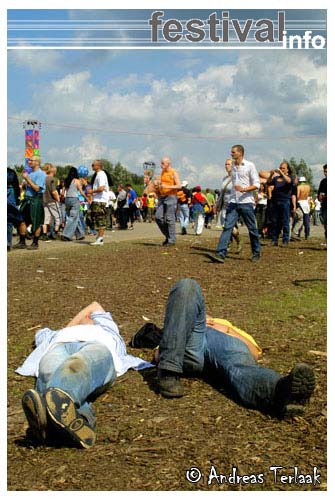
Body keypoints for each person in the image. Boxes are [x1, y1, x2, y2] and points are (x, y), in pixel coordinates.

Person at [156, 278, 315, 418]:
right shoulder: (181, 324)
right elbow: (158, 352)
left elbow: (253, 352)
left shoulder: (227, 325)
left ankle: (281, 392)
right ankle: (169, 372)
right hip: (192, 347)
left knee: (242, 368)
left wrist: (224, 328)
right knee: (187, 285)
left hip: (226, 350)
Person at [17, 302, 152, 448]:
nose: (87, 316)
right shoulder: (53, 335)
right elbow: (39, 333)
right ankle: (78, 420)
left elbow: (95, 306)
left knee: (77, 365)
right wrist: (65, 330)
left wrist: (72, 325)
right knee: (48, 370)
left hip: (96, 346)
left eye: (89, 316)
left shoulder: (106, 328)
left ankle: (47, 424)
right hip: (58, 347)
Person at [209, 145, 260, 263]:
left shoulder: (249, 166)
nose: (231, 154)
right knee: (227, 227)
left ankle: (256, 252)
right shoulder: (232, 167)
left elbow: (257, 184)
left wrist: (244, 189)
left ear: (240, 153)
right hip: (233, 202)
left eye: (233, 152)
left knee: (252, 229)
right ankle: (221, 253)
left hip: (246, 202)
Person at [13, 155, 46, 250]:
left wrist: (27, 179)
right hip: (27, 200)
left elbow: (37, 188)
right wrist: (24, 185)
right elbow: (28, 187)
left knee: (36, 221)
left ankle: (35, 243)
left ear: (37, 162)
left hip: (35, 200)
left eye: (31, 160)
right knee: (21, 220)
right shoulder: (30, 173)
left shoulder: (40, 174)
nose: (29, 162)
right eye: (29, 160)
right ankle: (22, 241)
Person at [153, 156, 181, 246]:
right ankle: (169, 236)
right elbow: (161, 184)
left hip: (171, 196)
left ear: (168, 164)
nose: (161, 165)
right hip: (162, 197)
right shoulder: (162, 172)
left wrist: (167, 186)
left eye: (163, 163)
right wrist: (158, 184)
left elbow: (179, 186)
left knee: (169, 218)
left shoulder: (173, 172)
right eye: (161, 163)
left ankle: (171, 240)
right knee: (158, 217)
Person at [267, 161, 295, 247]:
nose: (281, 169)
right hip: (275, 201)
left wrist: (282, 174)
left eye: (283, 168)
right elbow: (268, 183)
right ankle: (274, 239)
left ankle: (285, 240)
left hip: (285, 201)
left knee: (285, 221)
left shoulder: (290, 177)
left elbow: (289, 181)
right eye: (280, 168)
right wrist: (271, 175)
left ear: (287, 169)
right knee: (275, 221)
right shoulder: (276, 179)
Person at [61, 167, 88, 242]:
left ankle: (80, 235)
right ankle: (66, 235)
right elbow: (81, 192)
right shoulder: (77, 181)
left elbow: (64, 192)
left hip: (67, 200)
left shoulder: (66, 181)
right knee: (73, 217)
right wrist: (87, 198)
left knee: (75, 217)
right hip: (74, 199)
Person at [88, 160, 109, 246]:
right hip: (97, 200)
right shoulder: (98, 174)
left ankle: (100, 239)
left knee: (100, 220)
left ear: (98, 166)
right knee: (93, 218)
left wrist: (92, 191)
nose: (92, 166)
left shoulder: (101, 174)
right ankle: (99, 237)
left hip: (100, 200)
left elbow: (101, 188)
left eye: (93, 165)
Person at [40, 163, 61, 240]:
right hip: (52, 200)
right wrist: (58, 199)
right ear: (53, 172)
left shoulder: (43, 179)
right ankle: (55, 233)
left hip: (44, 201)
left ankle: (44, 234)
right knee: (58, 217)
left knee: (46, 218)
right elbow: (54, 191)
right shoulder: (52, 179)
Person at [7, 167, 22, 251]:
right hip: (11, 200)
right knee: (8, 221)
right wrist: (17, 200)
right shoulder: (11, 172)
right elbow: (16, 187)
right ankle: (7, 243)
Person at [317, 164, 327, 241]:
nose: (325, 173)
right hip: (325, 206)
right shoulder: (323, 182)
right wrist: (320, 197)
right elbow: (319, 195)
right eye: (325, 171)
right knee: (326, 225)